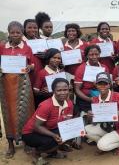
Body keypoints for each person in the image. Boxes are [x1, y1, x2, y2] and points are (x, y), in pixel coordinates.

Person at [0, 21, 35, 159]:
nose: (15, 35)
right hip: (5, 84)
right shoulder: (2, 47)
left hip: (23, 84)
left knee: (25, 111)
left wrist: (30, 68)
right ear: (9, 33)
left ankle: (26, 141)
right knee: (8, 113)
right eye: (12, 32)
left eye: (18, 32)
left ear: (22, 33)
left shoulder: (27, 48)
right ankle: (11, 144)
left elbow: (32, 64)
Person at [22, 78, 73, 164]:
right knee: (52, 141)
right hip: (31, 133)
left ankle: (52, 153)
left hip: (50, 128)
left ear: (69, 89)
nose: (63, 93)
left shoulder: (69, 103)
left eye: (65, 90)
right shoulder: (46, 105)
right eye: (59, 90)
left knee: (68, 135)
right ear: (53, 91)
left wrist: (69, 132)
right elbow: (37, 127)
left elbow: (67, 122)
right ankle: (36, 154)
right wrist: (54, 135)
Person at [85, 72, 119, 155]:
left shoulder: (118, 96)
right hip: (106, 128)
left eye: (105, 84)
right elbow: (94, 122)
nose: (102, 86)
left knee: (102, 146)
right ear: (96, 85)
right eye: (100, 84)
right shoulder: (95, 99)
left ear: (109, 85)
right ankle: (108, 141)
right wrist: (90, 117)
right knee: (85, 130)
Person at [74, 45, 110, 115]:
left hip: (102, 97)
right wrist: (90, 99)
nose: (94, 57)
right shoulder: (81, 68)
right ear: (87, 56)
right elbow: (77, 90)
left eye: (96, 54)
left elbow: (109, 86)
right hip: (86, 99)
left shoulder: (104, 67)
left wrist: (98, 86)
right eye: (91, 55)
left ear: (100, 54)